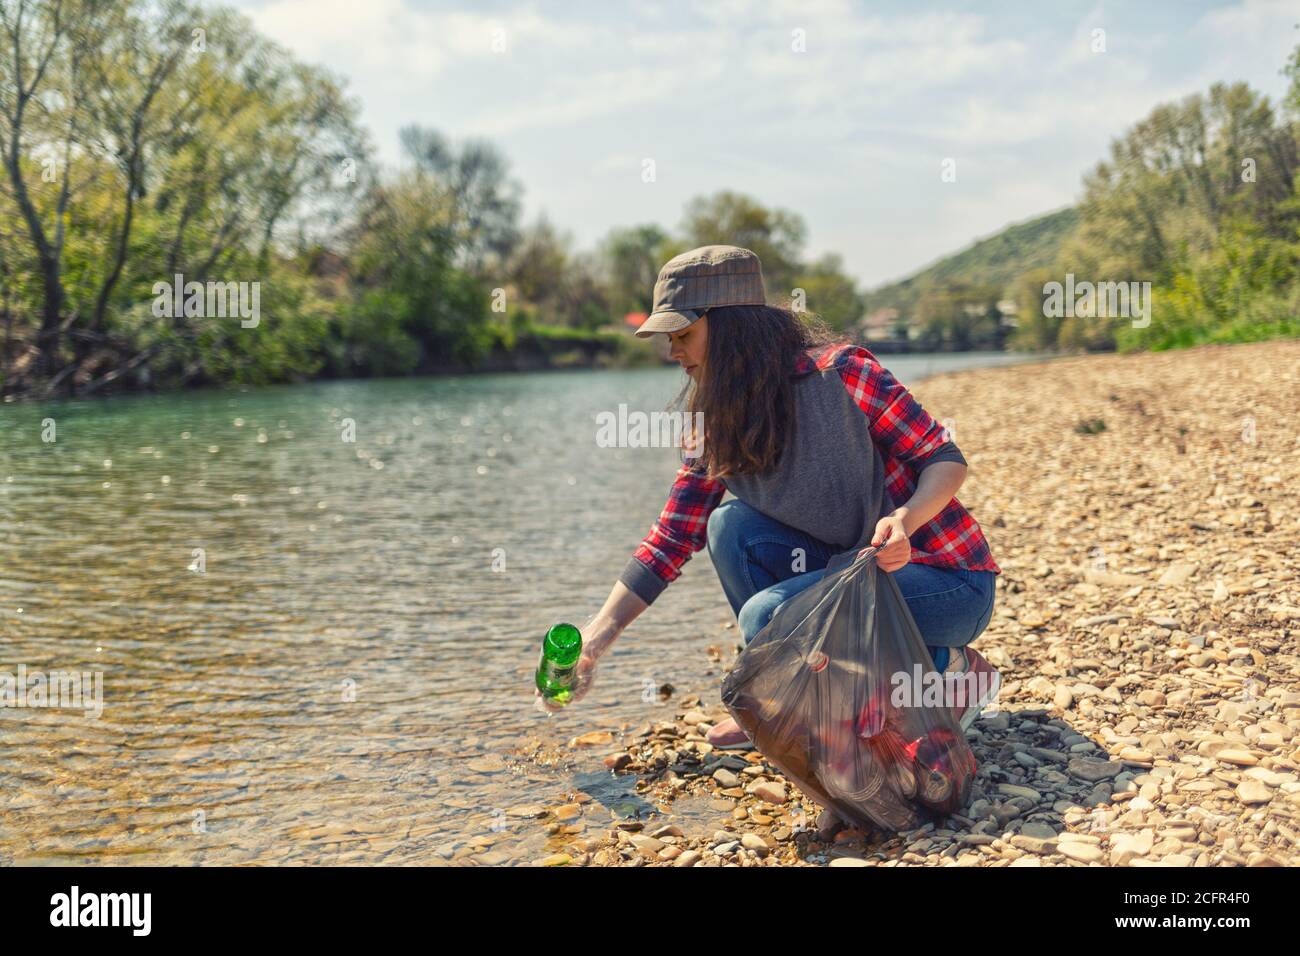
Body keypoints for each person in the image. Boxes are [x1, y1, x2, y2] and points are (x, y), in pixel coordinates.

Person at [538, 245, 1001, 824]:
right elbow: (672, 538)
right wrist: (595, 640)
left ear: (731, 328)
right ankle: (812, 701)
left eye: (682, 334)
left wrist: (906, 519)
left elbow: (945, 458)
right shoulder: (713, 421)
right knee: (727, 526)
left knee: (768, 620)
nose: (671, 350)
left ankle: (944, 671)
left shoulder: (845, 374)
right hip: (848, 584)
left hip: (941, 584)